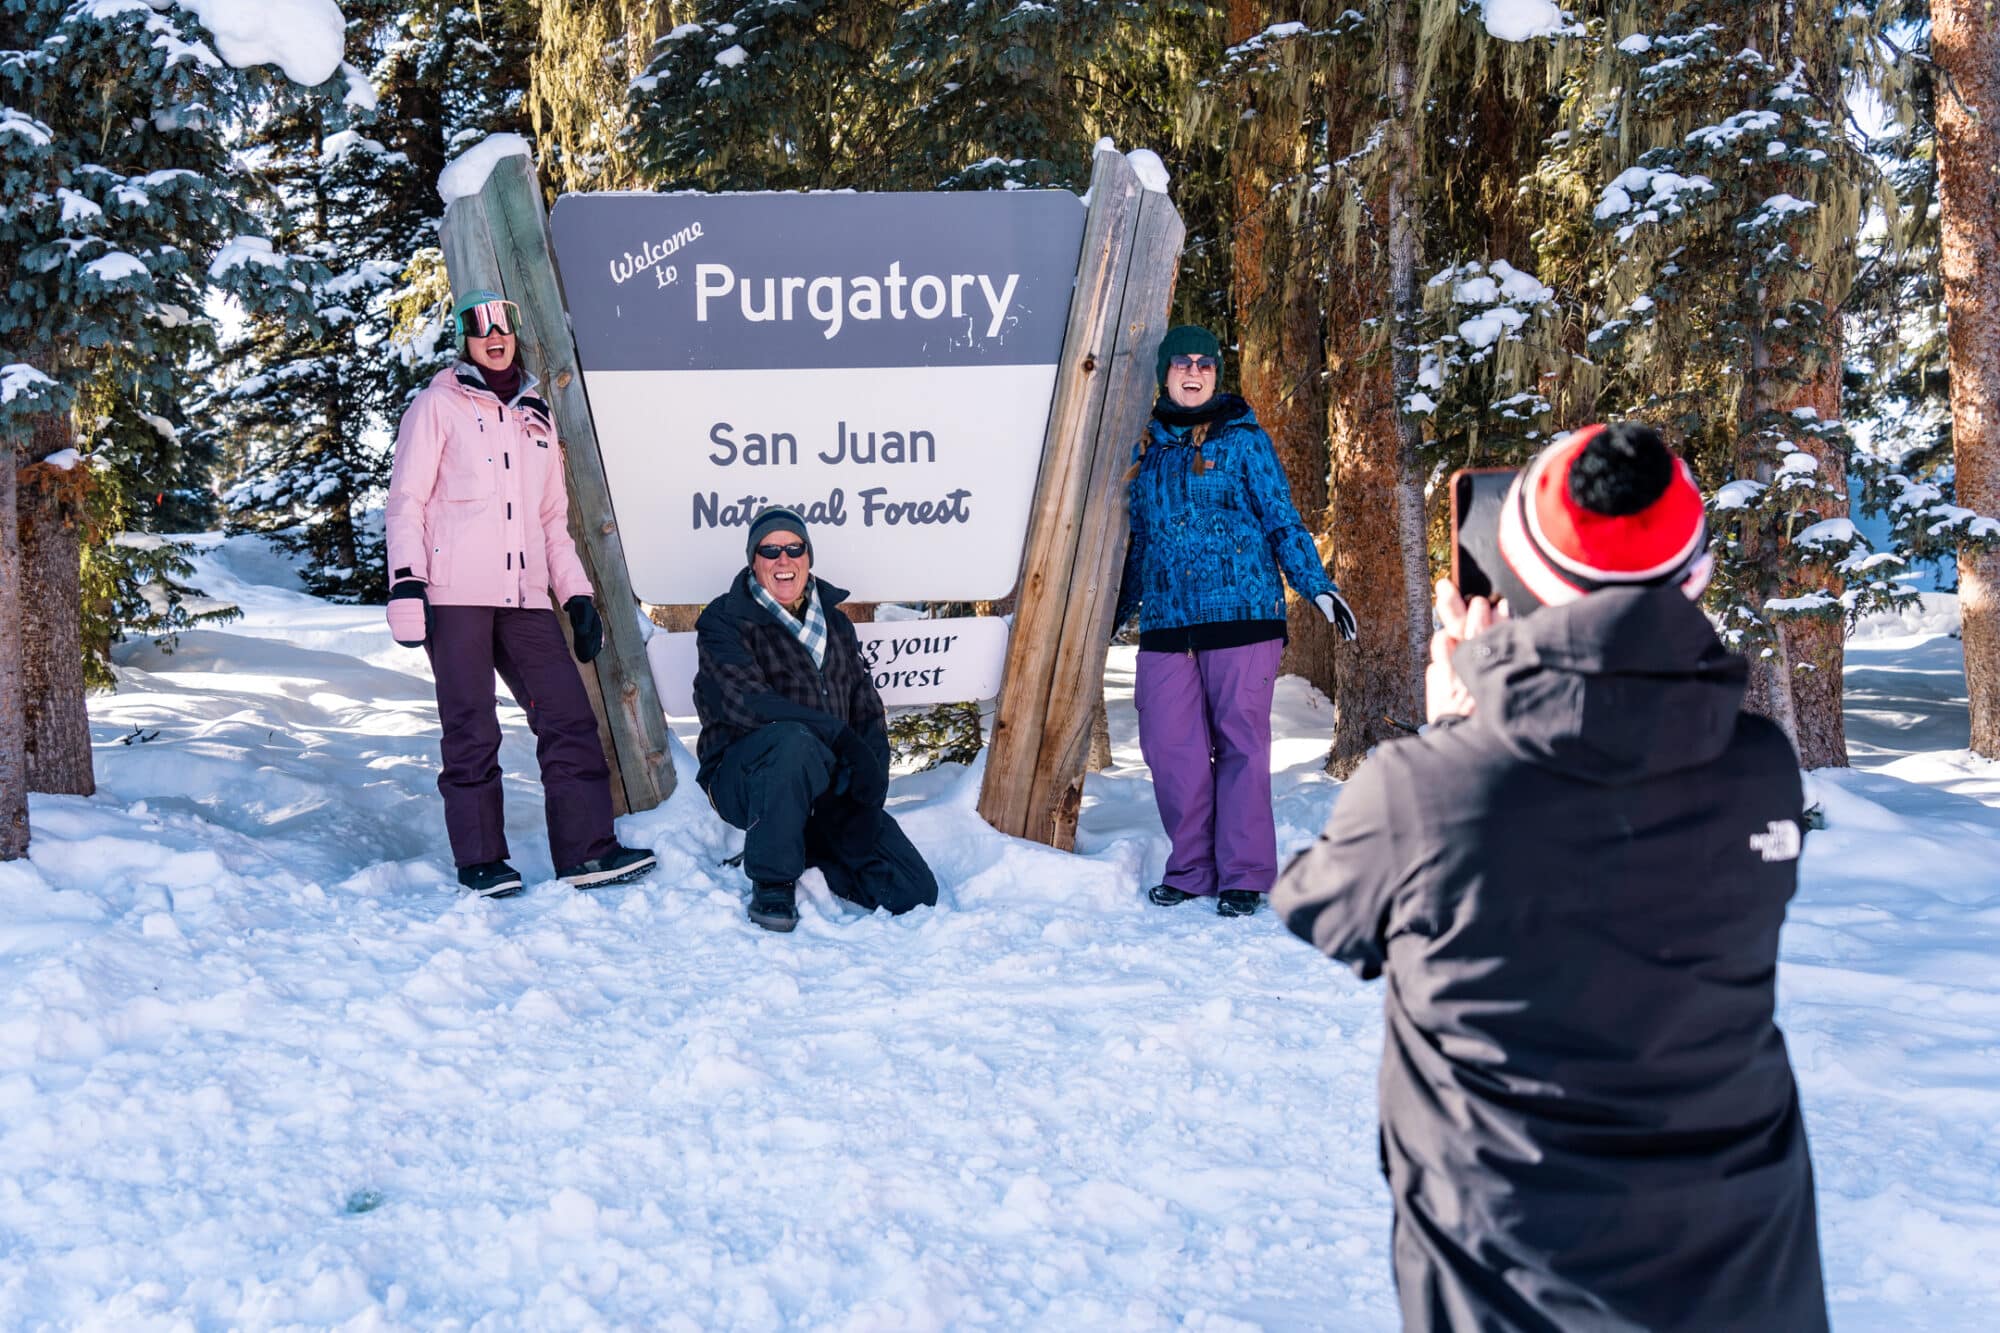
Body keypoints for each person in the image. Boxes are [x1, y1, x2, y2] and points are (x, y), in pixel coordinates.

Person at [1273, 423, 1827, 1332]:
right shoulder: (1759, 770)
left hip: (1512, 1282)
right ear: (1694, 578)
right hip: (1748, 1275)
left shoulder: (1429, 790)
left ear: (1519, 572)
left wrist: (1459, 722)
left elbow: (1320, 907)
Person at [384, 289, 655, 898]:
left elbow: (551, 522)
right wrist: (407, 580)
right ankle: (481, 860)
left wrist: (577, 596)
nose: (494, 338)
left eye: (502, 326)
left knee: (567, 717)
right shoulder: (437, 405)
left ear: (514, 333)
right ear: (467, 340)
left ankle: (587, 851)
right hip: (454, 596)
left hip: (527, 596)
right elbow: (407, 501)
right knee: (471, 727)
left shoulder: (536, 416)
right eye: (481, 330)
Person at [1114, 325, 1358, 918]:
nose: (1193, 373)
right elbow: (1139, 544)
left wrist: (1316, 586)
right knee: (1172, 750)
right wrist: (1109, 617)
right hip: (1169, 624)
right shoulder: (1146, 450)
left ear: (1216, 375)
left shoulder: (1246, 440)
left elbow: (1281, 520)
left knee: (1242, 746)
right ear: (1165, 375)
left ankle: (1245, 874)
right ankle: (1192, 869)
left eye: (1204, 364)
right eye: (1181, 364)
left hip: (1245, 617)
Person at [693, 507, 939, 932]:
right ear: (754, 560)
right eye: (770, 550)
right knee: (793, 740)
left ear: (808, 557)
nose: (783, 559)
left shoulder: (837, 625)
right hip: (743, 780)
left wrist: (868, 785)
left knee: (915, 891)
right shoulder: (724, 620)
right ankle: (773, 880)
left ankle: (811, 846)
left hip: (823, 786)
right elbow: (750, 703)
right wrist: (839, 739)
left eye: (794, 548)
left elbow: (865, 709)